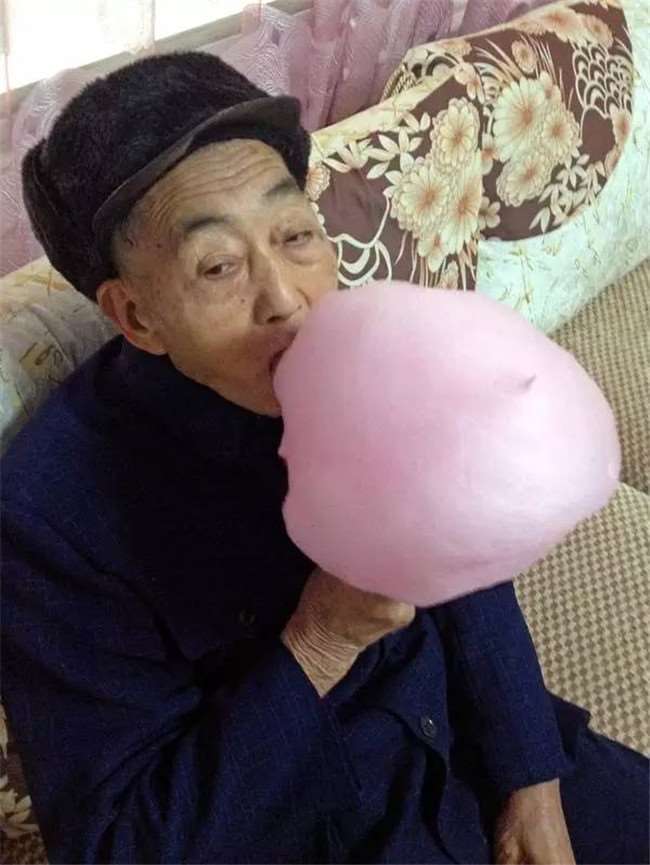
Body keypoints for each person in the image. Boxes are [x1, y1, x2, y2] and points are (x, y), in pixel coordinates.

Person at [1, 52, 647, 865]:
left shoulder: (373, 351)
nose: (286, 298)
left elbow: (467, 560)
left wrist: (532, 777)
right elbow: (121, 845)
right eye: (219, 265)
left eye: (295, 235)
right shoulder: (47, 521)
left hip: (477, 740)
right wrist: (319, 641)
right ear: (135, 315)